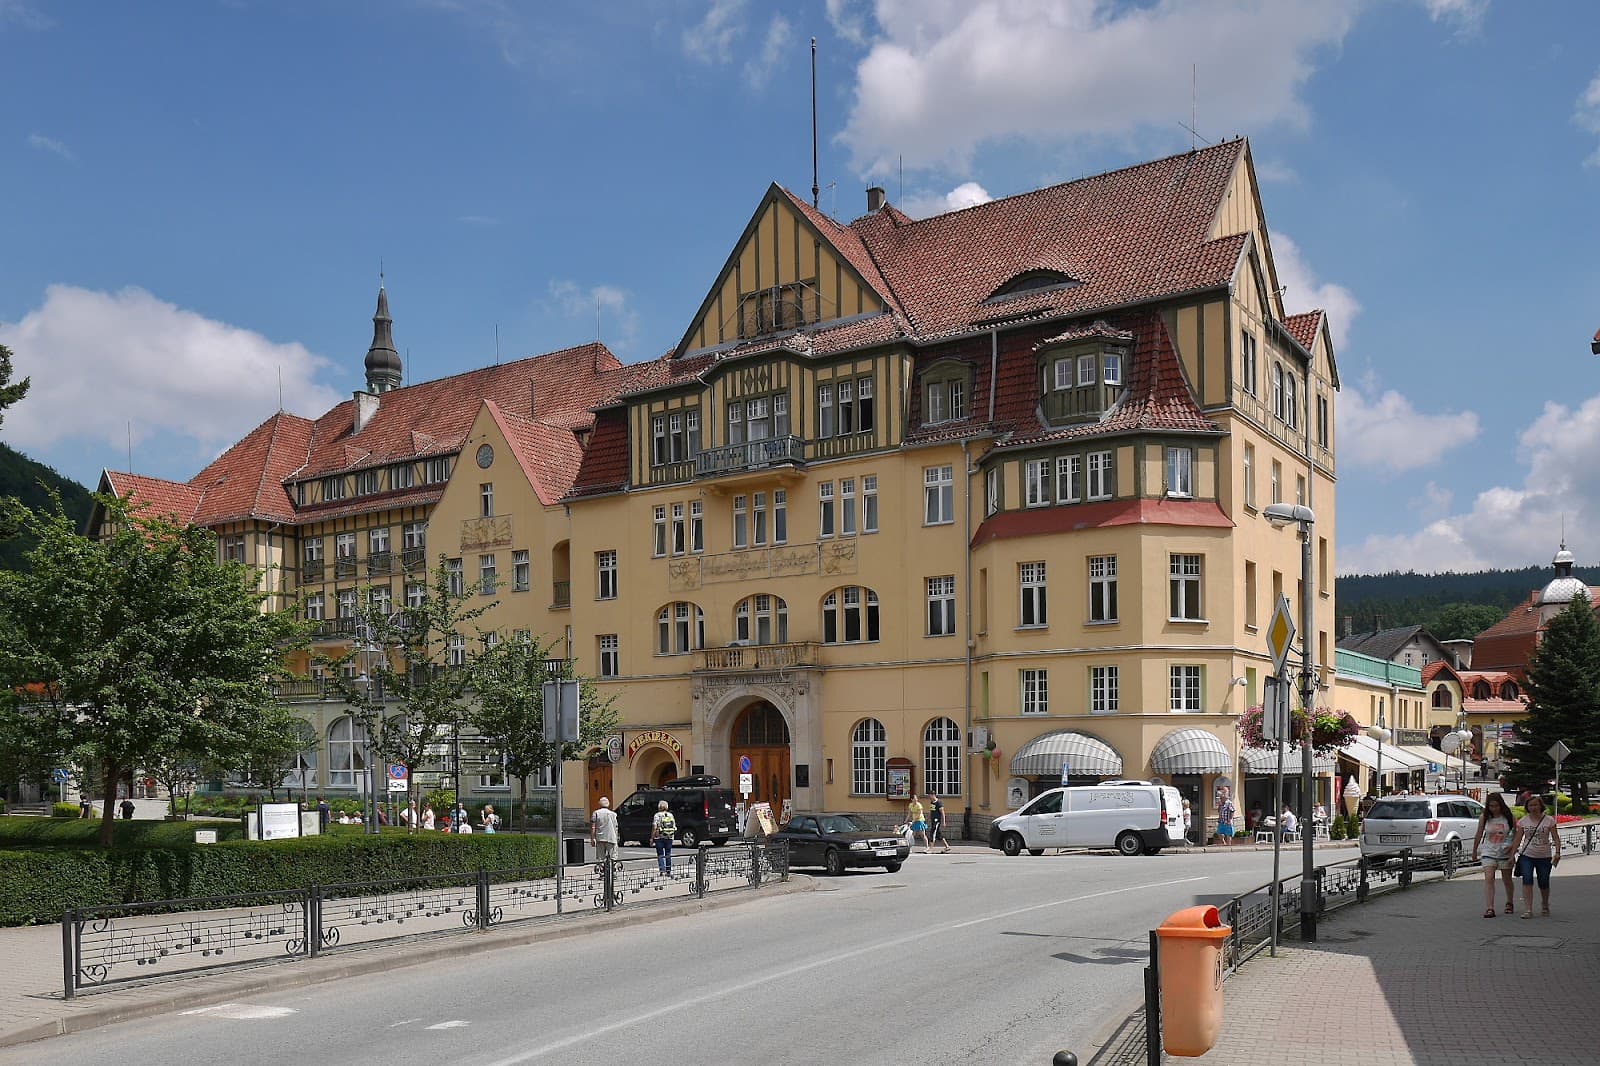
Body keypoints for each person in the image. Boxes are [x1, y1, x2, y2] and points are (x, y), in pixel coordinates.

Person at [1510, 794, 1561, 918]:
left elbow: (1555, 837)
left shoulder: (1549, 820)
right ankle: (1528, 909)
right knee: (1527, 880)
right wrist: (1512, 855)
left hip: (1544, 855)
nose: (1533, 807)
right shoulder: (1523, 821)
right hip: (1527, 855)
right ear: (1527, 807)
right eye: (1531, 805)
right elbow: (1518, 839)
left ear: (1540, 806)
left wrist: (1558, 852)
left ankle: (1544, 904)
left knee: (1543, 882)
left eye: (1536, 805)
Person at [1472, 792, 1517, 917]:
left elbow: (1516, 834)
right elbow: (1479, 833)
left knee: (1507, 879)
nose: (1494, 809)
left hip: (1505, 852)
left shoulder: (1508, 817)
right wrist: (1474, 850)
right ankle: (1490, 907)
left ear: (1501, 805)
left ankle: (1509, 902)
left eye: (1496, 806)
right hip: (1488, 851)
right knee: (1489, 878)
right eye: (1491, 806)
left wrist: (1513, 849)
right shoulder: (1484, 817)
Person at [591, 796, 619, 869]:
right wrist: (616, 838)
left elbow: (593, 827)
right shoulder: (613, 814)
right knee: (613, 857)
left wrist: (592, 838)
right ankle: (613, 872)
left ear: (600, 804)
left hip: (600, 837)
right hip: (611, 837)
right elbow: (616, 827)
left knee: (601, 858)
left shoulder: (596, 813)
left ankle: (602, 872)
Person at [651, 799, 677, 876]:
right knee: (668, 854)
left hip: (659, 837)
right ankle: (668, 871)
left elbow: (654, 827)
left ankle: (662, 870)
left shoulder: (657, 815)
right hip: (669, 837)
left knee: (660, 854)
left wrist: (652, 838)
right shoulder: (670, 815)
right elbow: (674, 826)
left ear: (659, 807)